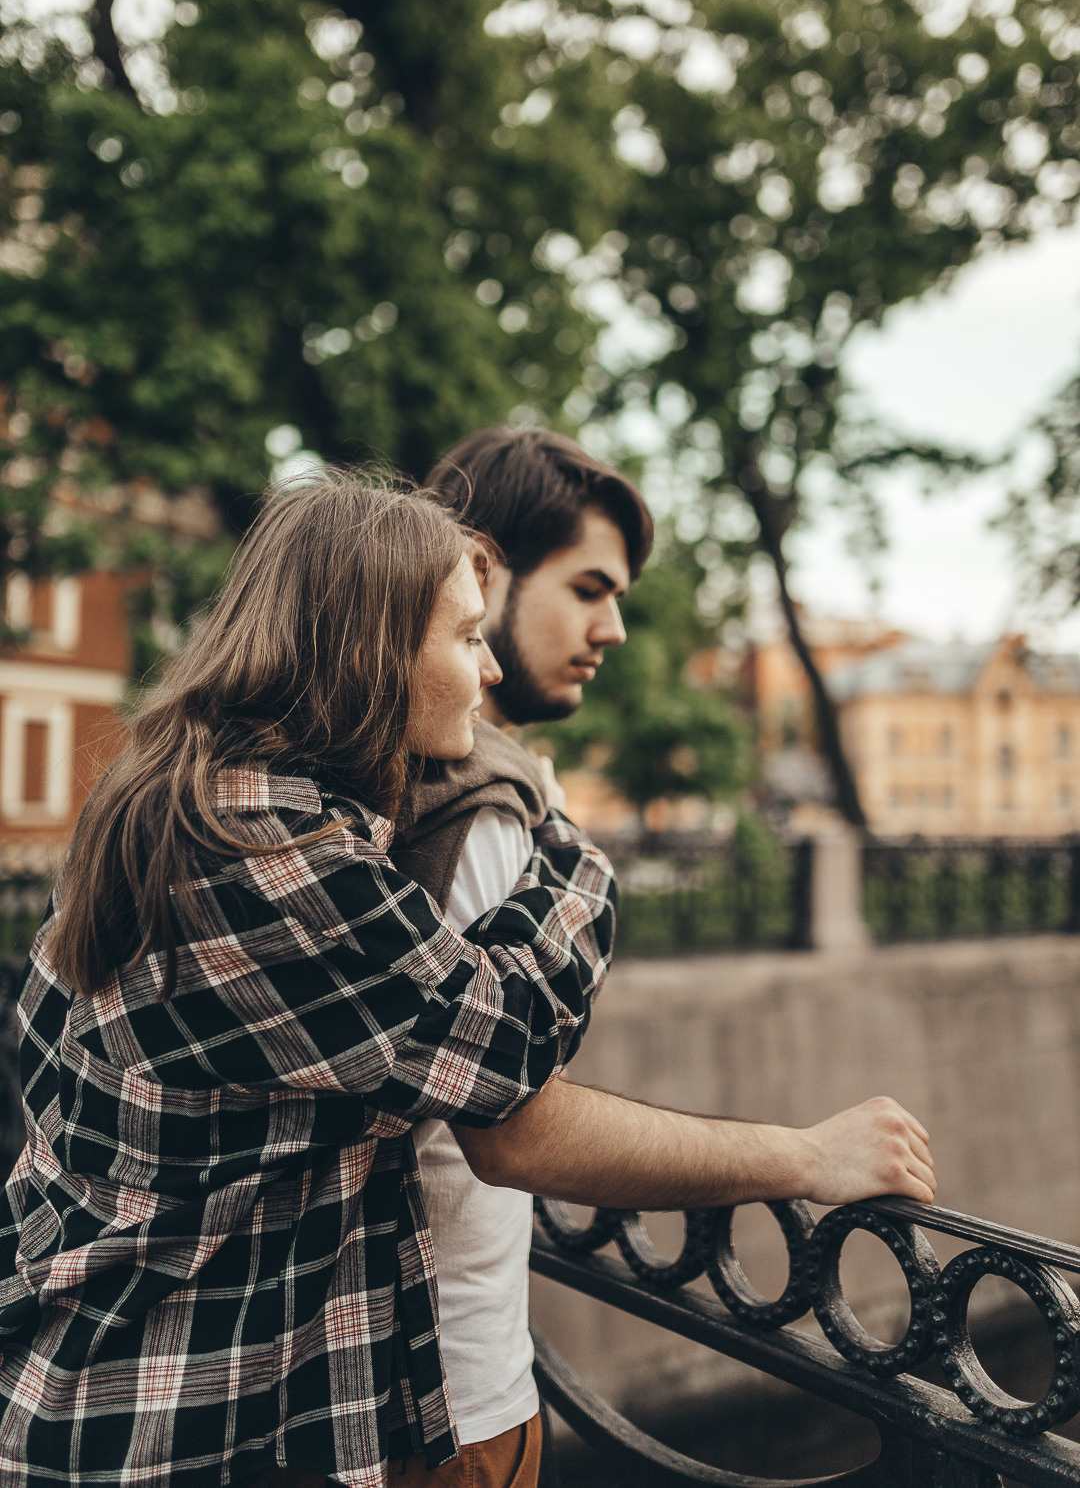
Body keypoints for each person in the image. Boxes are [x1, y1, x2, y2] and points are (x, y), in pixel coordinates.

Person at [0, 472, 618, 1488]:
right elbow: (504, 1043)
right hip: (160, 1424)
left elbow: (37, 1048)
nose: (493, 669)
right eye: (468, 638)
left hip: (96, 1389)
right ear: (374, 653)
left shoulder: (166, 791)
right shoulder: (257, 847)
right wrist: (566, 838)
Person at [383, 426, 935, 1488]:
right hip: (441, 1408)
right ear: (484, 567)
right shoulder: (478, 812)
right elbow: (514, 1132)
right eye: (590, 588)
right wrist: (807, 1157)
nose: (616, 627)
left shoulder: (390, 772)